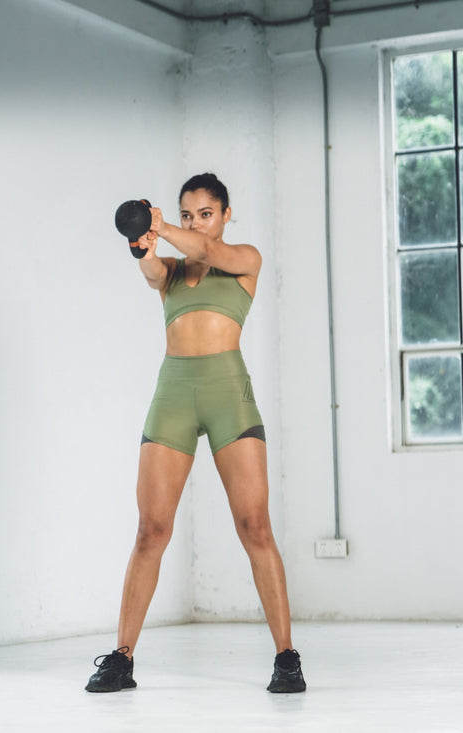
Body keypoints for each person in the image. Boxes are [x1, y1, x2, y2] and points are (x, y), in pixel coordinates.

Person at [86, 173, 305, 694]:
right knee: (150, 531)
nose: (195, 222)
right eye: (186, 214)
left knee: (255, 526)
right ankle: (121, 658)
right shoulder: (172, 271)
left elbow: (209, 249)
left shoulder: (244, 259)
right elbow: (150, 269)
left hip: (229, 393)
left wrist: (159, 226)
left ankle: (286, 656)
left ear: (225, 215)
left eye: (204, 212)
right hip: (174, 395)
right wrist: (142, 242)